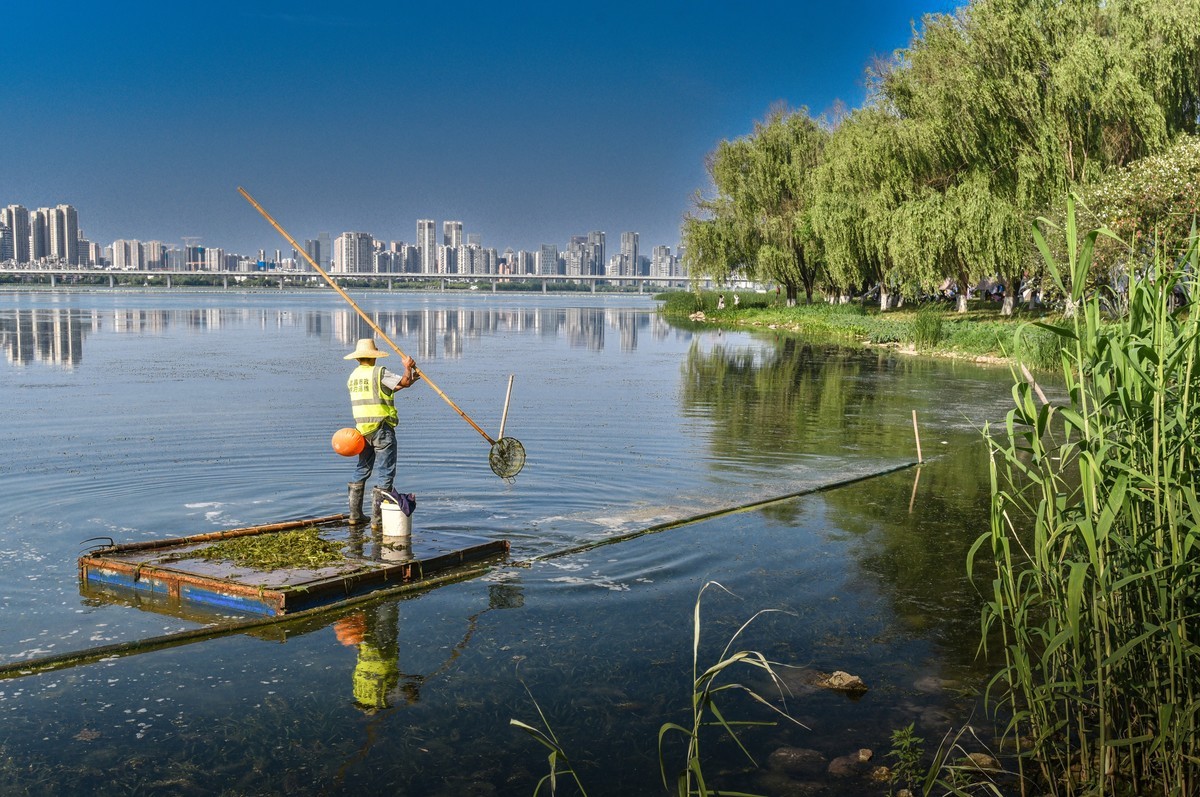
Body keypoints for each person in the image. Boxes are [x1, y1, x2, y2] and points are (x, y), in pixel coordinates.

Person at [344, 337, 418, 525]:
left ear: (358, 358)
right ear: (374, 356)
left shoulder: (353, 377)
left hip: (362, 431)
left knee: (362, 469)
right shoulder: (379, 372)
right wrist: (407, 367)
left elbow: (387, 389)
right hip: (381, 429)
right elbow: (404, 382)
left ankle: (354, 516)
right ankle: (378, 520)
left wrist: (407, 380)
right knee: (386, 472)